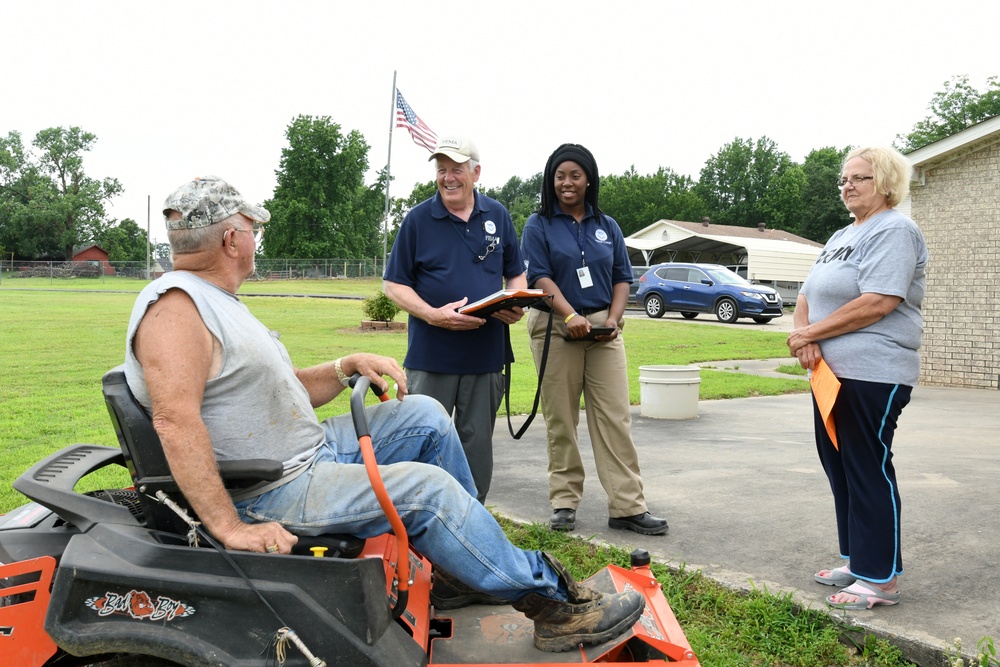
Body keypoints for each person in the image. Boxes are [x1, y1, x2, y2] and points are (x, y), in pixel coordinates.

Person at [123, 175, 643, 653]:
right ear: (230, 239)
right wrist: (230, 526)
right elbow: (174, 419)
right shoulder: (175, 309)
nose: (257, 239)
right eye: (252, 229)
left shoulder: (218, 301)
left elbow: (279, 394)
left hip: (308, 451)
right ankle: (553, 606)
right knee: (426, 491)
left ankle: (459, 571)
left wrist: (345, 364)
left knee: (425, 415)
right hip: (272, 488)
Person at [787, 147, 928, 610]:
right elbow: (807, 294)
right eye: (844, 179)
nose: (847, 186)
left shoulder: (895, 230)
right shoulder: (842, 234)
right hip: (828, 372)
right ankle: (859, 561)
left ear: (885, 183)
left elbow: (879, 301)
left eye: (859, 178)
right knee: (840, 466)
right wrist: (804, 338)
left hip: (873, 374)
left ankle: (880, 581)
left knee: (868, 467)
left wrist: (810, 333)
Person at [520, 144, 668, 536]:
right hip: (555, 322)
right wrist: (569, 314)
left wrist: (614, 320)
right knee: (561, 418)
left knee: (615, 417)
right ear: (551, 181)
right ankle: (564, 501)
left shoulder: (609, 226)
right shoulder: (539, 225)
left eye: (575, 175)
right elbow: (539, 277)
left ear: (589, 180)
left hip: (604, 325)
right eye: (560, 176)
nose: (567, 183)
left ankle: (627, 506)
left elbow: (623, 276)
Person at [384, 136, 527, 504]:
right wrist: (434, 316)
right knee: (420, 438)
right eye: (442, 169)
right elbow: (393, 285)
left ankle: (471, 521)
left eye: (457, 170)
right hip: (432, 357)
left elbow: (515, 273)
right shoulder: (417, 220)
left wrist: (515, 302)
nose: (448, 178)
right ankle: (416, 521)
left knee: (477, 444)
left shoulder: (497, 215)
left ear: (475, 173)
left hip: (485, 356)